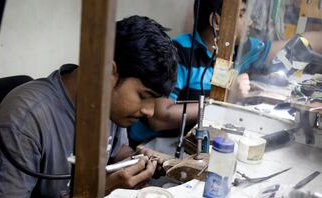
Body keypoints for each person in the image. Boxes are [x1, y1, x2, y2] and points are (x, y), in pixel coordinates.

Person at [0, 15, 178, 198]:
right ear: (108, 72)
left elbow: (115, 151)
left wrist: (137, 161)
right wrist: (99, 190)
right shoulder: (26, 118)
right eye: (144, 96)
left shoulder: (108, 108)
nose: (150, 112)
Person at [128, 0, 322, 147]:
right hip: (156, 144)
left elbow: (293, 45)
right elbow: (158, 118)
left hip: (194, 142)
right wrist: (225, 98)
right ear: (217, 21)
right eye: (242, 15)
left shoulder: (238, 49)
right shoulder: (180, 53)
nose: (250, 21)